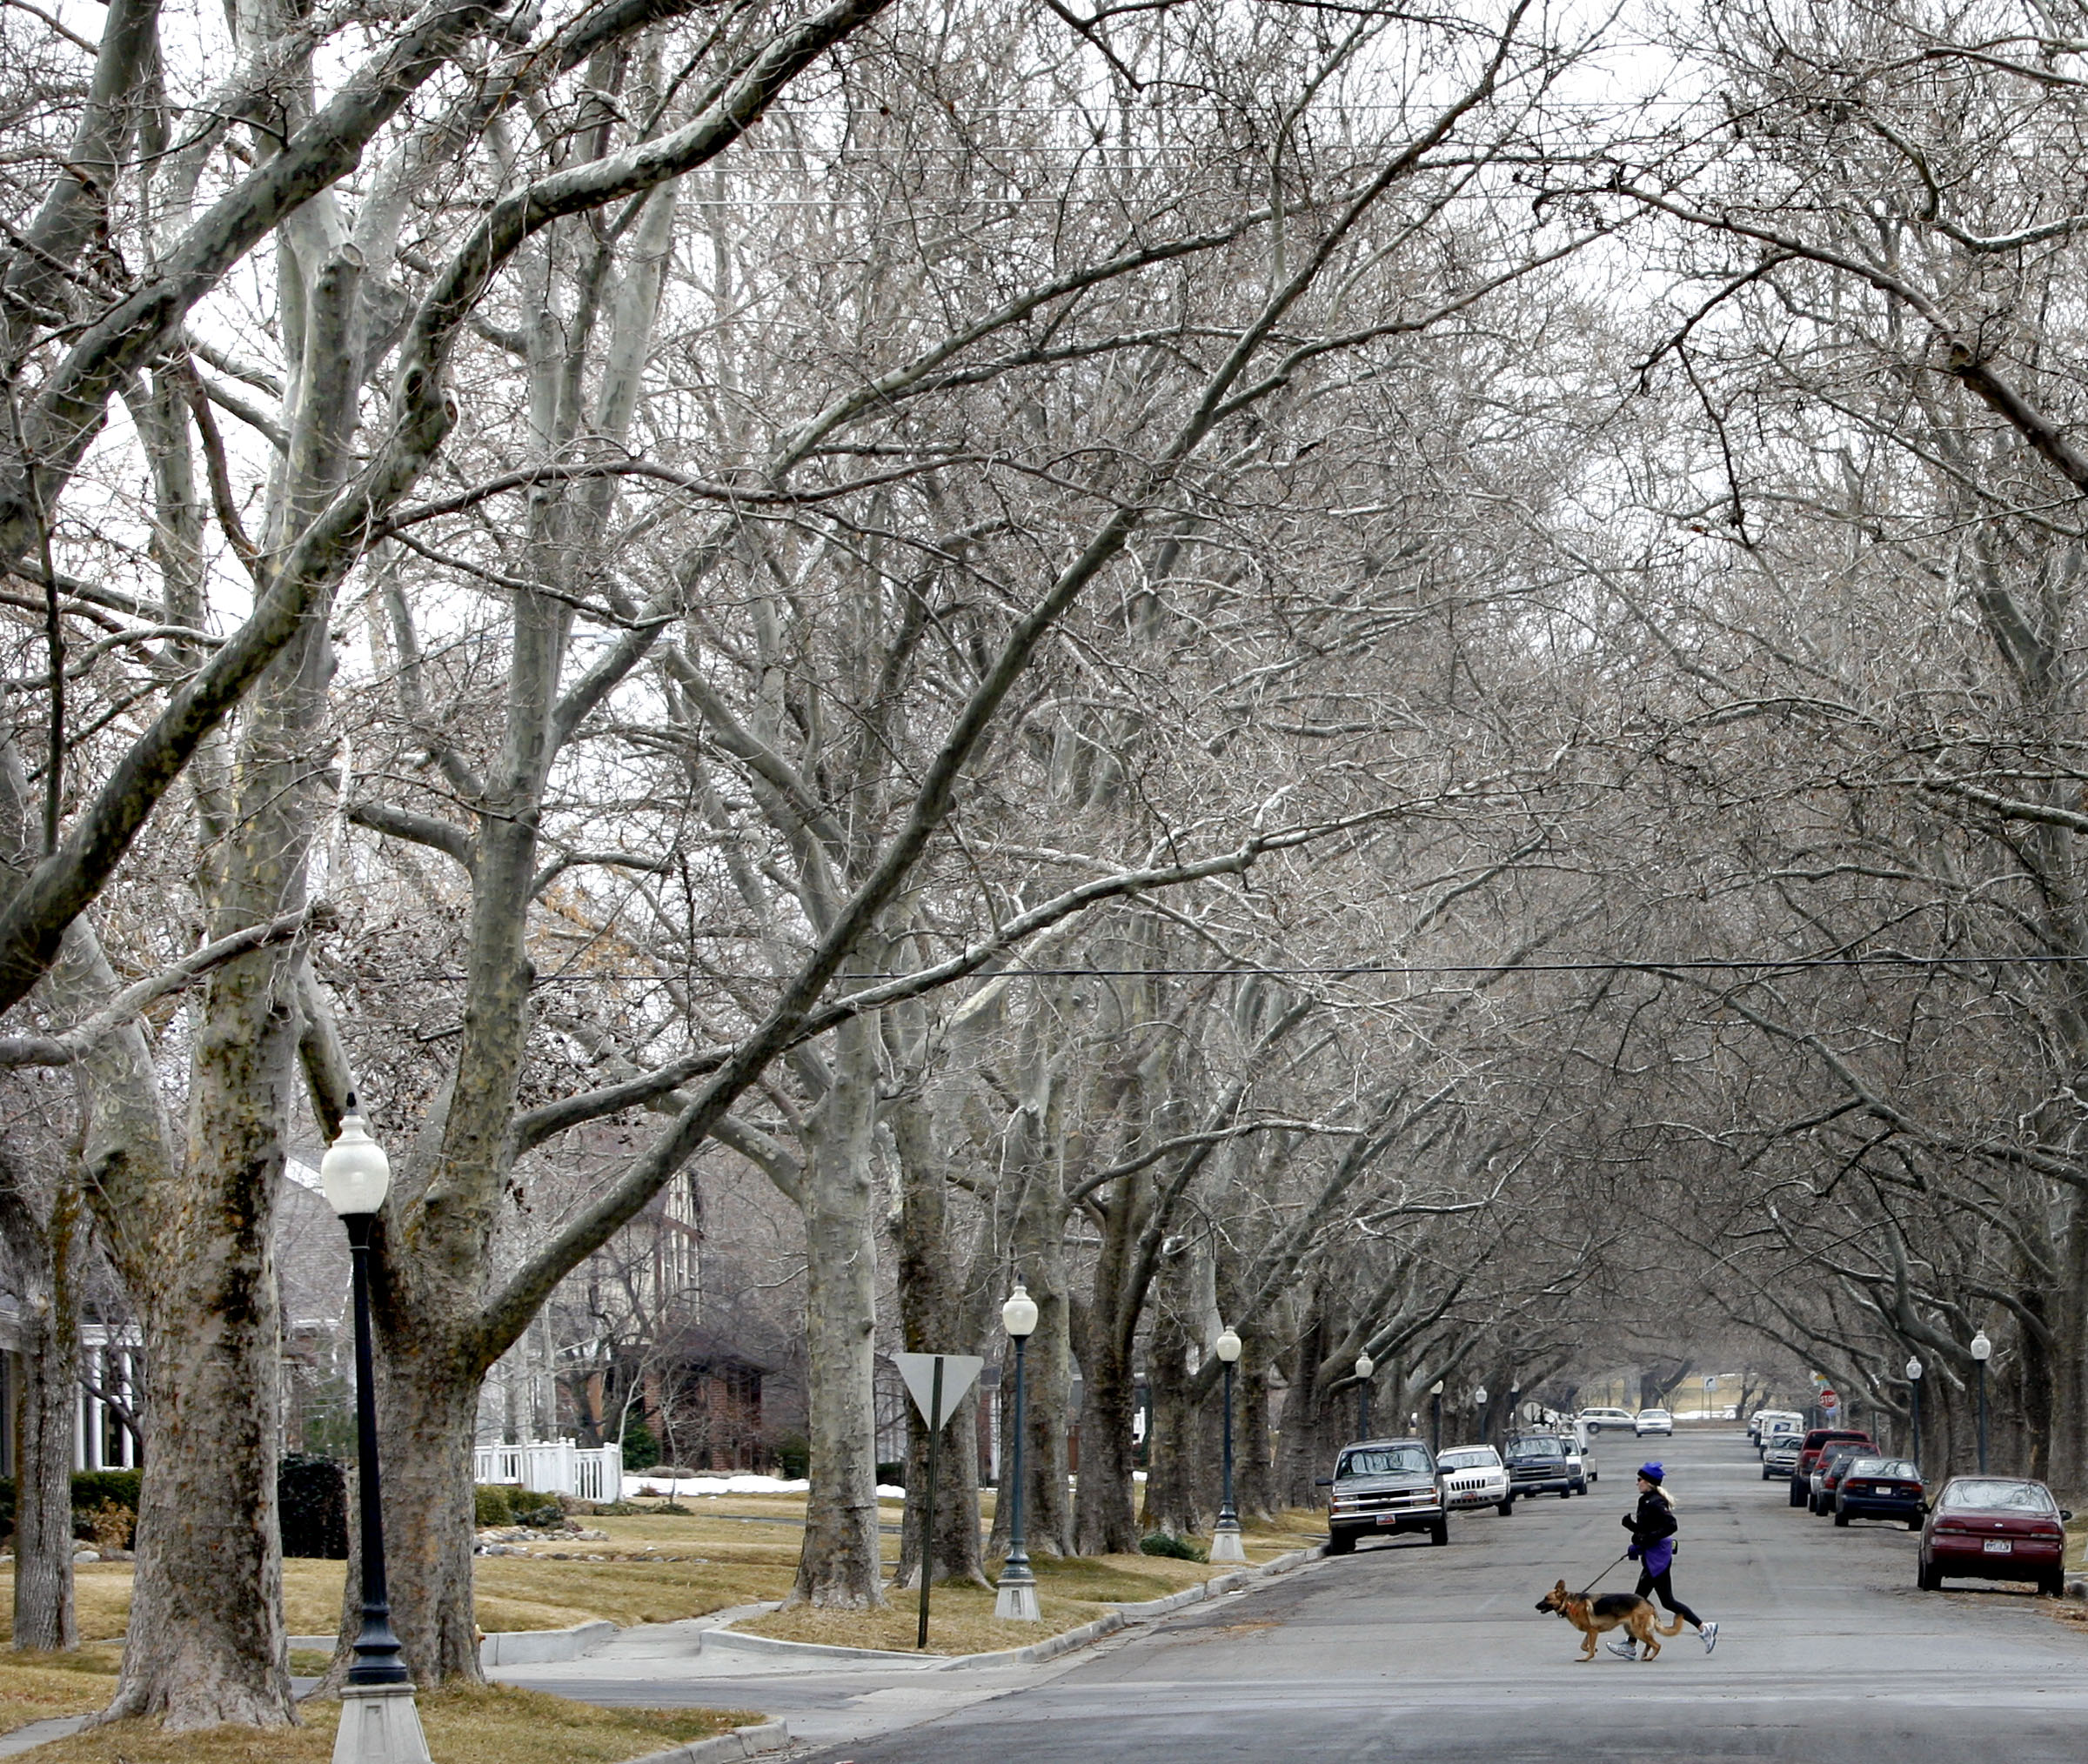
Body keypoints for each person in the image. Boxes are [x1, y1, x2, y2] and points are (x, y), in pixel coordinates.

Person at [1606, 1461, 1717, 1657]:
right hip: (1651, 1557)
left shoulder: (1656, 1502)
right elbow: (1646, 1528)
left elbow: (1671, 1526)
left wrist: (1648, 1538)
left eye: (1639, 1480)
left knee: (1638, 1601)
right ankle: (1703, 1628)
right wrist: (1631, 1526)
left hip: (1658, 1559)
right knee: (1663, 1601)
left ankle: (1631, 1645)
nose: (1637, 1483)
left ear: (1648, 1482)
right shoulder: (1645, 1500)